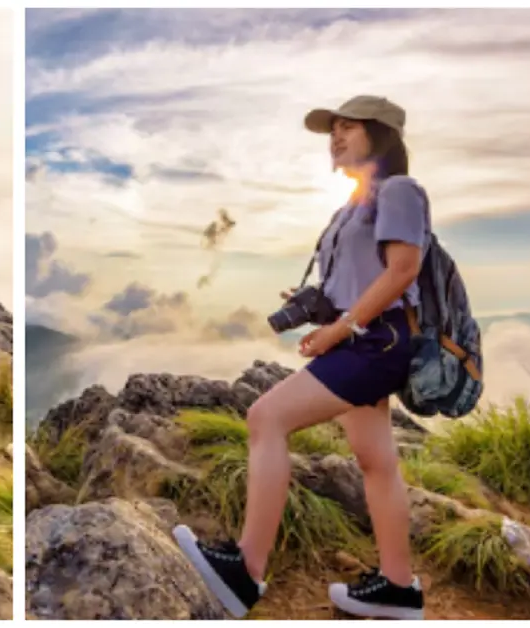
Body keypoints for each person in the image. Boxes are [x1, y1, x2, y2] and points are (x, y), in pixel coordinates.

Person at [173, 95, 430, 621]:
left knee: (266, 417)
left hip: (377, 343)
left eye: (348, 128)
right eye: (332, 129)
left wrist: (341, 327)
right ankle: (399, 589)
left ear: (379, 135)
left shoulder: (400, 191)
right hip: (367, 337)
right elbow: (364, 278)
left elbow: (403, 270)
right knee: (375, 460)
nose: (335, 138)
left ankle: (245, 572)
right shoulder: (355, 205)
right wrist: (320, 305)